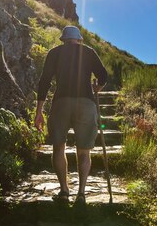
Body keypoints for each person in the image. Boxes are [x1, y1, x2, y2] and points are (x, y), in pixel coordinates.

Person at [34, 25, 108, 204]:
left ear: (63, 39)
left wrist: (39, 111)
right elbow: (103, 75)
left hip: (61, 103)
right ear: (79, 39)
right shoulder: (88, 52)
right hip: (86, 103)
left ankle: (64, 191)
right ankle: (81, 193)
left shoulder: (54, 53)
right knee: (84, 151)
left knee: (58, 147)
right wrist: (98, 87)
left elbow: (44, 81)